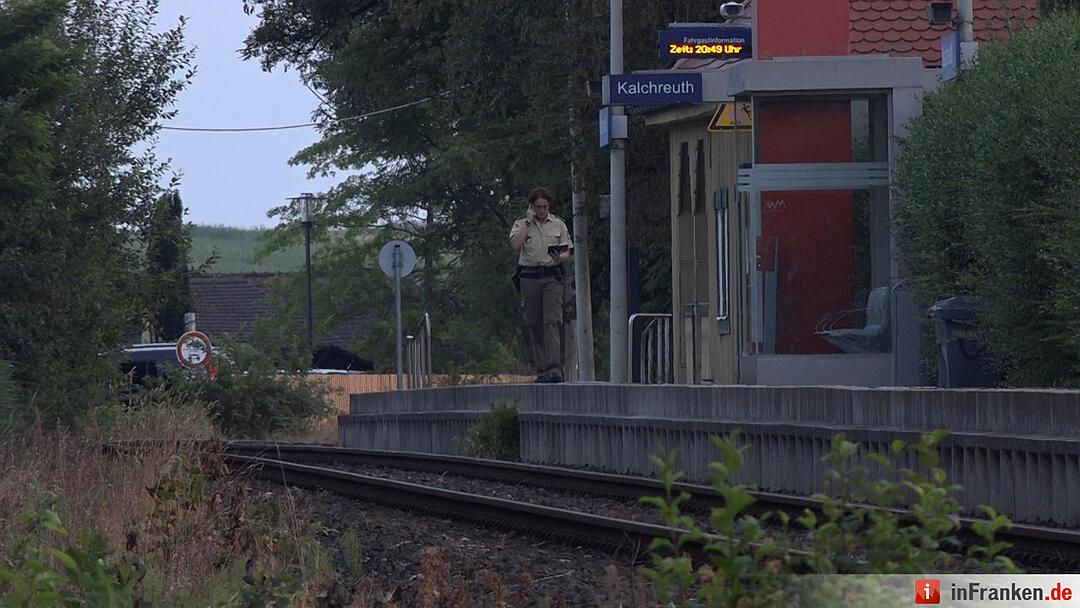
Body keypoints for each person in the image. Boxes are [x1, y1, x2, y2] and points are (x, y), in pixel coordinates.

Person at [509, 187, 573, 383]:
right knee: (534, 323)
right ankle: (542, 368)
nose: (542, 210)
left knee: (552, 321)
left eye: (545, 207)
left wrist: (560, 256)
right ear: (531, 207)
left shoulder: (558, 224)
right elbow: (516, 245)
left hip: (551, 276)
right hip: (529, 277)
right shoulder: (521, 224)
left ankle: (554, 368)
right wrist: (528, 222)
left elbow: (568, 251)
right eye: (538, 207)